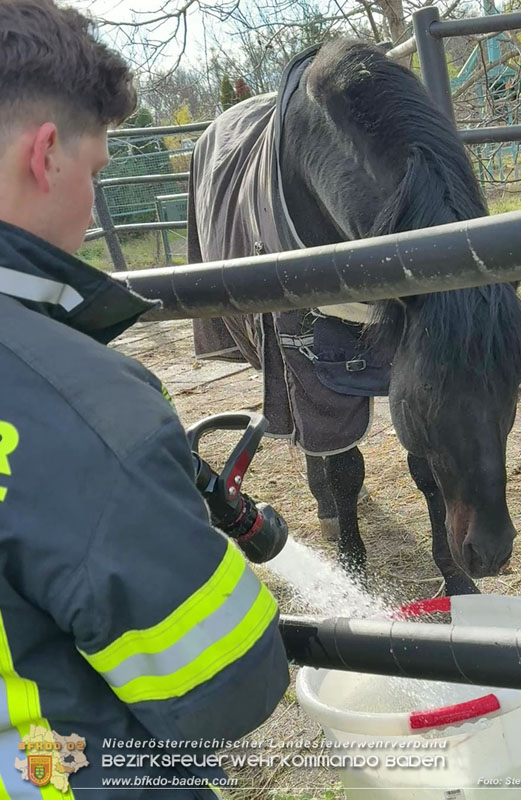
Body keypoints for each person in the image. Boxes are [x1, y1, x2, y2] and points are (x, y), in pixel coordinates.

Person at [0, 1, 289, 796]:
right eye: (96, 174)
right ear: (46, 154)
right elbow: (230, 684)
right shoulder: (83, 409)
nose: (92, 207)